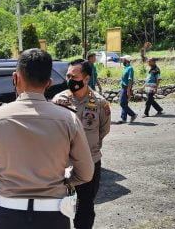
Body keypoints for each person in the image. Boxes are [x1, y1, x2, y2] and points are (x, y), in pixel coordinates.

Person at [0, 49, 94, 229]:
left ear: (15, 78)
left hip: (9, 214)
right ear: (49, 83)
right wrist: (59, 177)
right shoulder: (69, 119)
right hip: (54, 215)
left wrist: (9, 172)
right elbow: (85, 173)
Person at [52, 59, 111, 229]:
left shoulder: (100, 103)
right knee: (58, 205)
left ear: (86, 79)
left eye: (74, 76)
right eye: (68, 75)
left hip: (89, 162)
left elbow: (103, 130)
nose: (69, 79)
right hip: (62, 163)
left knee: (85, 207)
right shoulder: (58, 100)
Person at [118, 55, 137, 123]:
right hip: (123, 87)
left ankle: (133, 114)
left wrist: (128, 90)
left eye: (123, 60)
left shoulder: (130, 68)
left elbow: (130, 80)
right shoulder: (125, 68)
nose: (122, 61)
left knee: (122, 103)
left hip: (126, 88)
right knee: (124, 103)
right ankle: (123, 118)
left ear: (126, 60)